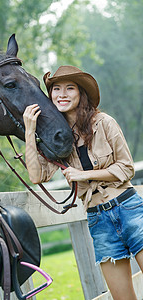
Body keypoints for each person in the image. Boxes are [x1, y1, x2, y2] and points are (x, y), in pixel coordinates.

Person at [23, 65, 143, 300]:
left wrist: (84, 175)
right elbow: (37, 176)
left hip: (129, 210)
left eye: (70, 88)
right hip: (99, 221)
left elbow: (126, 167)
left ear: (81, 94)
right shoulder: (55, 139)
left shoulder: (104, 122)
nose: (62, 94)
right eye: (56, 89)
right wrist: (30, 131)